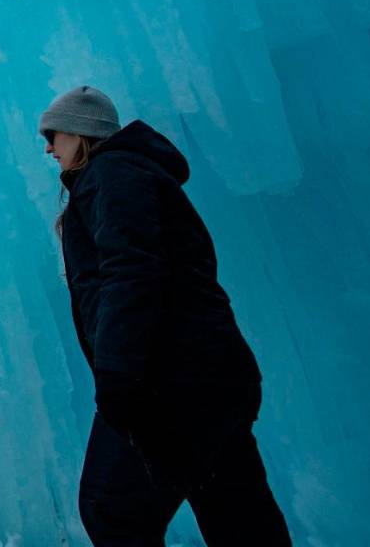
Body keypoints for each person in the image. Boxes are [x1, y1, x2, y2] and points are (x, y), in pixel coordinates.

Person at [39, 86, 291, 546]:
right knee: (239, 516)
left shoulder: (112, 174)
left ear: (81, 132)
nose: (48, 148)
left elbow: (132, 270)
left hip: (168, 381)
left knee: (111, 508)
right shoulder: (136, 175)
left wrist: (117, 373)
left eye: (52, 135)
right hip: (213, 377)